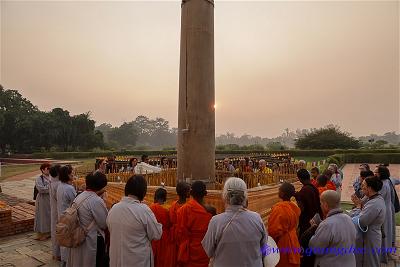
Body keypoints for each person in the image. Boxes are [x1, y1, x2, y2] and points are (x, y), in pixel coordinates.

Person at [202, 177, 266, 266]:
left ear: (225, 195)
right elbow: (264, 250)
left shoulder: (216, 222)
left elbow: (208, 251)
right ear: (245, 196)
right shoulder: (256, 219)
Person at [107, 175, 162, 267]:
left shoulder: (114, 209)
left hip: (117, 260)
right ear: (143, 192)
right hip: (137, 261)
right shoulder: (143, 210)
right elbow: (156, 234)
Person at [68, 172, 108, 267]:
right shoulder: (96, 200)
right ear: (101, 186)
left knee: (80, 261)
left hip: (79, 234)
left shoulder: (80, 196)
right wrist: (104, 201)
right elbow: (104, 224)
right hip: (91, 239)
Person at [309, 190, 356, 267]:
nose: (320, 206)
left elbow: (316, 249)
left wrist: (314, 231)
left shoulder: (327, 224)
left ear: (326, 205)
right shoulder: (349, 218)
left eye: (321, 204)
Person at [177, 181, 214, 267]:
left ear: (191, 193)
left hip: (189, 250)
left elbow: (180, 232)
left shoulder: (183, 209)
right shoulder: (211, 211)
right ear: (205, 193)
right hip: (205, 249)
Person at [353, 176, 386, 267]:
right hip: (370, 235)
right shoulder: (372, 199)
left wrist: (358, 207)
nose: (361, 187)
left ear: (370, 188)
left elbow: (362, 221)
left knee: (370, 262)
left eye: (363, 185)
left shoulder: (375, 203)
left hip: (371, 237)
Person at [268, 182, 301, 267]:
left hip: (283, 242)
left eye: (279, 189)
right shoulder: (294, 207)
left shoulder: (279, 208)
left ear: (282, 193)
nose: (278, 191)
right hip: (294, 240)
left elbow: (273, 231)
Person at [375, 166, 396, 263]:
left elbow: (378, 198)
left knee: (385, 232)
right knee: (387, 230)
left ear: (381, 173)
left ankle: (385, 254)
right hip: (387, 209)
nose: (375, 174)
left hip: (384, 210)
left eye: (376, 173)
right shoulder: (386, 182)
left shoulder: (383, 185)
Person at [57, 165, 77, 267]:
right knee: (68, 243)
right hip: (68, 218)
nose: (73, 174)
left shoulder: (60, 185)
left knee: (63, 243)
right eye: (71, 173)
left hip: (61, 216)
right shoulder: (69, 188)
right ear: (67, 175)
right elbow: (75, 203)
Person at [294, 169, 323, 236]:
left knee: (306, 239)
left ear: (300, 179)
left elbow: (302, 208)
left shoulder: (305, 190)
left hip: (307, 220)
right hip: (316, 217)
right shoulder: (313, 187)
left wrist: (297, 196)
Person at [150, 188, 173, 267]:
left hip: (153, 237)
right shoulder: (167, 209)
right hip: (165, 237)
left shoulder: (150, 208)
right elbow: (171, 224)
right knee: (163, 260)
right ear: (165, 197)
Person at [169, 182, 191, 267]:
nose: (190, 192)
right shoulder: (188, 207)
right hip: (183, 236)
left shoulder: (173, 205)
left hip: (175, 235)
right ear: (185, 193)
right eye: (189, 191)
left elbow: (171, 220)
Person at [34, 163, 52, 241]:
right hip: (42, 200)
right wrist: (51, 187)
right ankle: (42, 233)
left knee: (50, 216)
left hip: (50, 199)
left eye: (50, 168)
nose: (49, 170)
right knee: (42, 216)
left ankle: (49, 232)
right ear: (42, 170)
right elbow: (41, 189)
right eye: (47, 168)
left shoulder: (52, 177)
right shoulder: (39, 179)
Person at [49, 164, 61, 260]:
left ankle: (55, 253)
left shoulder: (52, 182)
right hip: (58, 210)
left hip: (54, 210)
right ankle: (58, 254)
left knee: (55, 231)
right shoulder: (58, 184)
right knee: (59, 232)